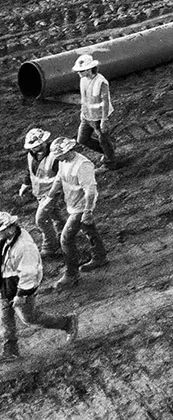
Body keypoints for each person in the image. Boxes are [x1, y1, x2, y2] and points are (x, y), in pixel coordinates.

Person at [1, 212, 77, 359]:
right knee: (4, 316)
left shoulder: (24, 247)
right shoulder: (6, 238)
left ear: (9, 228)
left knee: (29, 318)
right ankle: (10, 350)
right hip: (5, 282)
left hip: (20, 285)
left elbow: (29, 274)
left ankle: (67, 322)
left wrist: (21, 295)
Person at [46, 138, 105, 289]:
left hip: (81, 207)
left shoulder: (83, 165)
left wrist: (88, 211)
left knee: (66, 239)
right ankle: (100, 256)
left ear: (67, 151)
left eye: (59, 155)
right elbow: (59, 179)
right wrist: (50, 196)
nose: (56, 158)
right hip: (72, 205)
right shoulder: (63, 162)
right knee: (88, 229)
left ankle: (71, 274)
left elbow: (90, 191)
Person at [16, 130, 62, 260]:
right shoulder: (31, 154)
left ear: (44, 142)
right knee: (54, 214)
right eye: (32, 147)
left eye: (36, 146)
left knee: (41, 219)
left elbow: (62, 176)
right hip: (39, 192)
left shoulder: (54, 156)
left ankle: (50, 247)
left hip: (52, 193)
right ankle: (65, 234)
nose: (34, 149)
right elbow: (29, 171)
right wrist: (25, 184)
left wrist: (53, 194)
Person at [71, 53, 116, 169]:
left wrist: (104, 120)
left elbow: (105, 101)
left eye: (81, 71)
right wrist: (82, 112)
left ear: (89, 69)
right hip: (87, 117)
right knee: (82, 139)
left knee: (103, 140)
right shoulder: (83, 80)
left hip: (99, 118)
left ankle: (110, 163)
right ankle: (108, 152)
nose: (78, 73)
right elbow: (84, 98)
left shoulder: (101, 82)